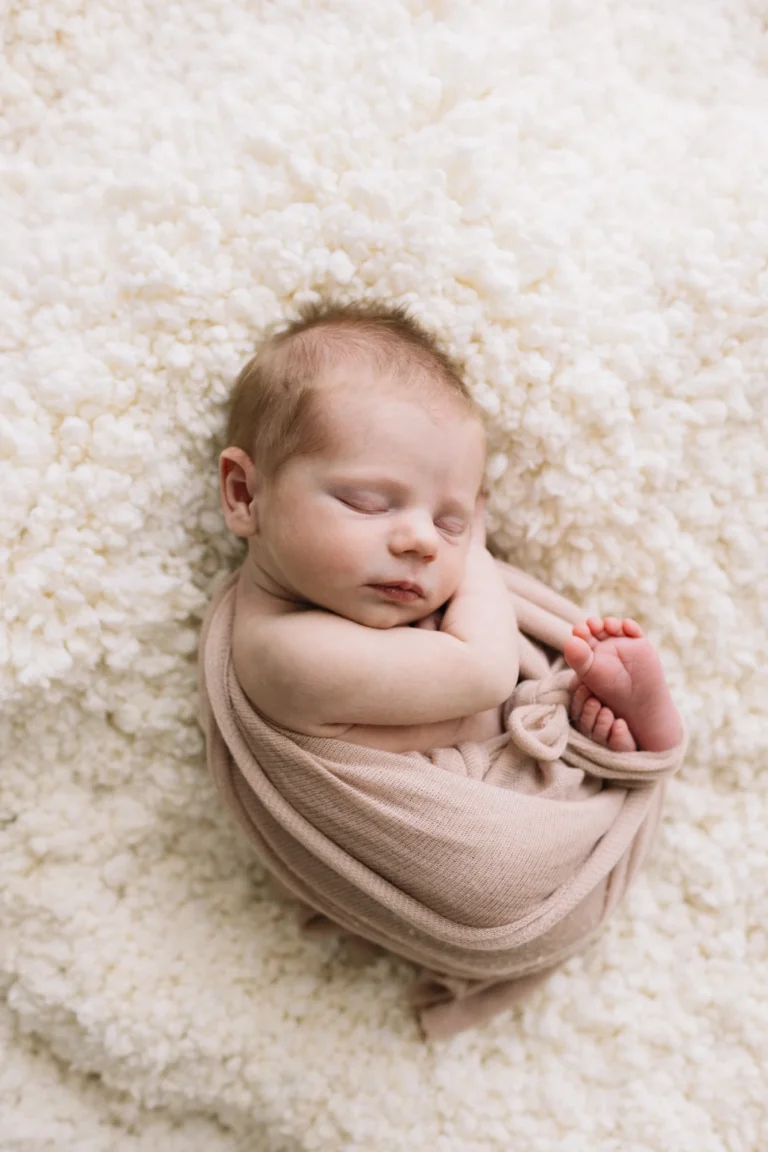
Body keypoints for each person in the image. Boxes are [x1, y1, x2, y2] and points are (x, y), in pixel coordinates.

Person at [218, 299, 683, 758]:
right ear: (244, 494)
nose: (423, 541)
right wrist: (474, 549)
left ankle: (636, 740)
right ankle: (639, 744)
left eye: (449, 523)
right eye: (369, 503)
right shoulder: (283, 652)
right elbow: (486, 670)